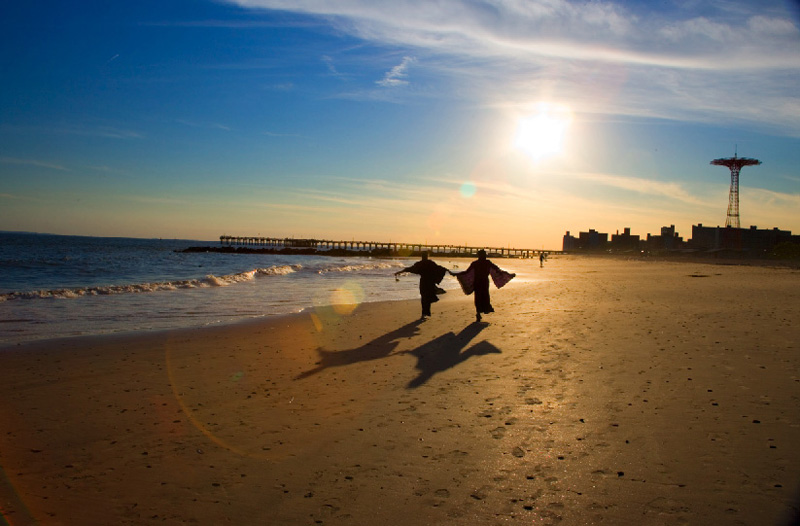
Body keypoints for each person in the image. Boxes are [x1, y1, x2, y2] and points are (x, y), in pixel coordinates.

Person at [452, 249, 515, 322]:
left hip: (477, 282)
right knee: (485, 296)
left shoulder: (475, 263)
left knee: (478, 297)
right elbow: (498, 270)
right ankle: (484, 310)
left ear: (478, 255)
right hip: (484, 282)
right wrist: (508, 274)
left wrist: (456, 274)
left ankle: (478, 313)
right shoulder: (487, 263)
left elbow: (466, 272)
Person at [395, 252, 449, 319]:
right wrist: (449, 271)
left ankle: (424, 313)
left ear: (421, 256)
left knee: (424, 297)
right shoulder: (430, 263)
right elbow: (439, 269)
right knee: (428, 297)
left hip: (423, 282)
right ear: (427, 256)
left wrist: (399, 272)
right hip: (430, 282)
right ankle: (426, 312)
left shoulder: (419, 264)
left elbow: (409, 269)